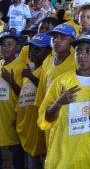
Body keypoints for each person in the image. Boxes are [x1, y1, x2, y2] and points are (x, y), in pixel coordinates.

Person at [38, 31, 90, 168]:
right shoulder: (61, 82)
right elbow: (45, 120)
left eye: (89, 51)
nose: (82, 55)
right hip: (63, 158)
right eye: (78, 50)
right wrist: (58, 103)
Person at [16, 33, 53, 169]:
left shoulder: (47, 69)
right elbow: (22, 94)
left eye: (37, 50)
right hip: (25, 121)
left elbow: (45, 90)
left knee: (39, 158)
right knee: (28, 159)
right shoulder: (29, 68)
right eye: (31, 49)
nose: (32, 52)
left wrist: (30, 76)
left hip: (37, 123)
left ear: (48, 51)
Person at [0, 29, 27, 169]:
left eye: (9, 44)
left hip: (12, 117)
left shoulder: (21, 66)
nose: (5, 48)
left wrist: (11, 81)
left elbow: (23, 94)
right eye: (2, 45)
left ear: (17, 47)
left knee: (16, 152)